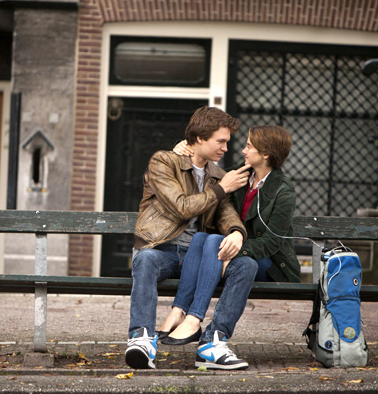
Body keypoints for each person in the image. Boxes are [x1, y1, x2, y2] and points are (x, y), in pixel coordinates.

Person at [126, 106, 257, 371]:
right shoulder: (164, 162)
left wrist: (236, 232)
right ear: (199, 138)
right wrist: (221, 189)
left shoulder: (219, 176)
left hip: (199, 256)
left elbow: (227, 213)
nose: (225, 148)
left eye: (227, 142)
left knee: (246, 266)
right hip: (164, 250)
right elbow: (181, 206)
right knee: (146, 260)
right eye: (220, 141)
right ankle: (141, 338)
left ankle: (213, 343)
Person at [158, 125, 300, 368]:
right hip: (237, 255)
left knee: (231, 253)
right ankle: (184, 314)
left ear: (265, 154)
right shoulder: (241, 177)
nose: (243, 150)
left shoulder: (283, 191)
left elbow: (272, 242)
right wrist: (184, 149)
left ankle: (195, 319)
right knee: (204, 238)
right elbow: (206, 180)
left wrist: (236, 249)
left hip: (271, 263)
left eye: (248, 146)